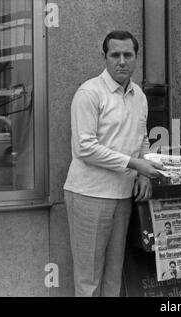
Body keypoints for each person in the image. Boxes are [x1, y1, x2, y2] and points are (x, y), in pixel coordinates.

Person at [63, 30, 164, 297]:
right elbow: (85, 148)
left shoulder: (139, 95)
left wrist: (142, 173)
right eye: (115, 55)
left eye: (128, 55)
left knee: (113, 274)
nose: (122, 61)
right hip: (89, 194)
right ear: (105, 58)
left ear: (136, 58)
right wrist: (135, 164)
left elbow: (141, 138)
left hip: (122, 195)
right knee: (89, 279)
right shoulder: (89, 93)